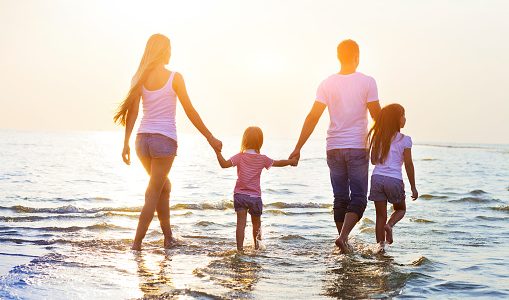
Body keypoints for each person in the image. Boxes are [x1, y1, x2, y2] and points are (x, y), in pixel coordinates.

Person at [113, 34, 222, 251]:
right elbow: (190, 111)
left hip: (142, 142)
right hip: (164, 141)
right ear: (163, 51)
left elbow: (133, 113)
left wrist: (126, 143)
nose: (171, 53)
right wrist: (210, 137)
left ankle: (168, 238)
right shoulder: (175, 77)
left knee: (164, 187)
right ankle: (136, 245)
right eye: (169, 48)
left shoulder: (139, 77)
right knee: (153, 192)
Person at [289, 39, 381, 253]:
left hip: (333, 147)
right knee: (358, 198)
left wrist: (298, 147)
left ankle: (343, 244)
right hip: (358, 146)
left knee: (340, 198)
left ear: (339, 57)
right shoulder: (367, 82)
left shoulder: (327, 83)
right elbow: (378, 117)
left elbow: (313, 117)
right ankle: (344, 238)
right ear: (357, 57)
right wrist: (384, 145)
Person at [214, 126, 297, 252]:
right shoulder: (262, 158)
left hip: (240, 195)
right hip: (255, 197)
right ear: (260, 142)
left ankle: (240, 250)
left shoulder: (240, 156)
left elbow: (224, 164)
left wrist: (217, 152)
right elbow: (278, 162)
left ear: (244, 140)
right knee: (256, 224)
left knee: (240, 225)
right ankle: (257, 248)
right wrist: (291, 161)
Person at [367, 103, 418, 252]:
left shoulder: (378, 137)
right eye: (403, 115)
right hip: (394, 179)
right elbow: (408, 164)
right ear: (397, 119)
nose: (405, 118)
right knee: (400, 208)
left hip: (377, 177)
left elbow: (373, 161)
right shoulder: (405, 139)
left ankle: (380, 249)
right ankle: (390, 225)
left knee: (379, 216)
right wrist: (413, 187)